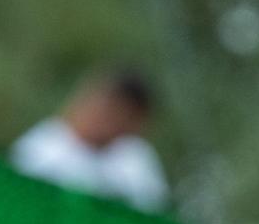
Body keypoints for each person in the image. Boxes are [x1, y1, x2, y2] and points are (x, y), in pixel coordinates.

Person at [9, 68, 168, 212]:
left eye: (127, 116)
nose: (111, 120)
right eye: (110, 108)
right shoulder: (41, 146)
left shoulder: (136, 158)